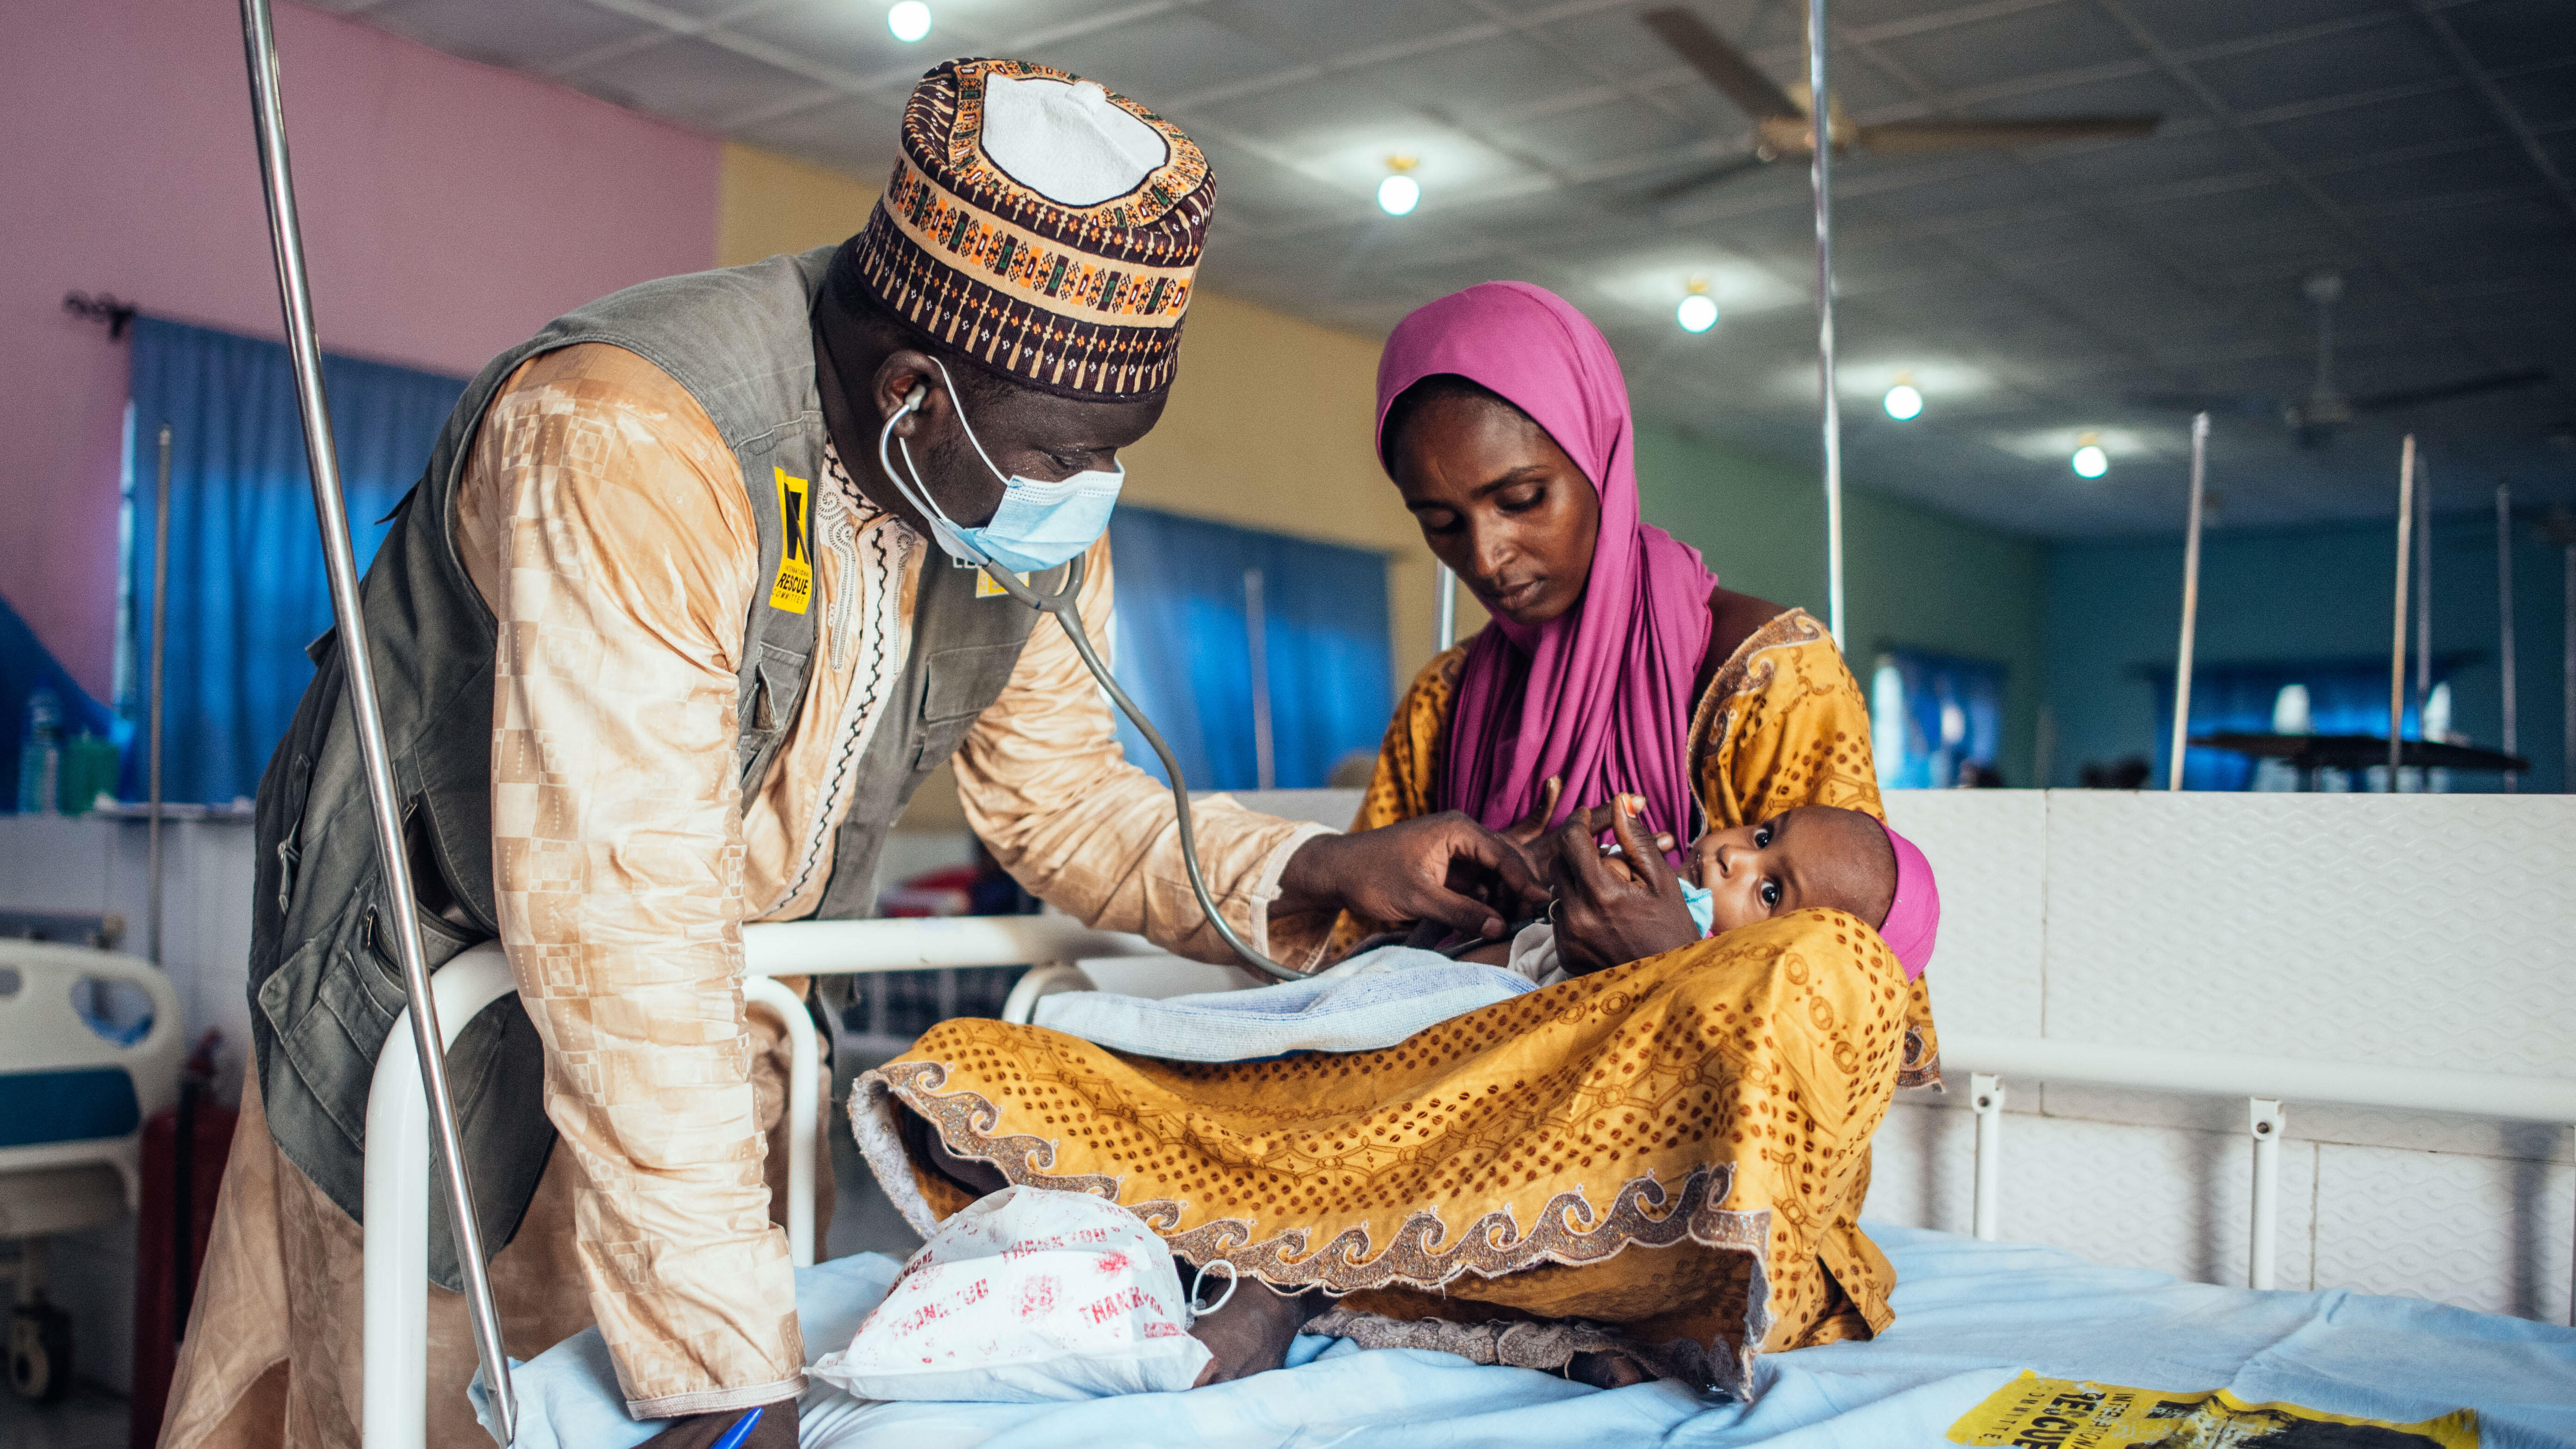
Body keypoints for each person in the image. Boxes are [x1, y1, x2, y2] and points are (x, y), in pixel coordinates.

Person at [161, 60, 1539, 1449]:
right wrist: (717, 1350)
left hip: (708, 1067)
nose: (1085, 496)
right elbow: (619, 912)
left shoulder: (1004, 493)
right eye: (1063, 454)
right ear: (912, 397)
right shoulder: (630, 438)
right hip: (455, 1054)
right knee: (448, 1402)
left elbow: (1060, 800)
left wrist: (1325, 867)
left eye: (1108, 461)